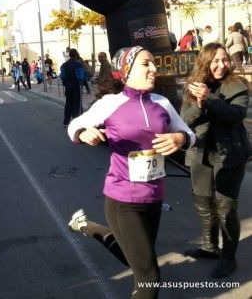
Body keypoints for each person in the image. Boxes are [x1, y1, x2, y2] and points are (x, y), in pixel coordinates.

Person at [67, 46, 195, 299]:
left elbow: (189, 134)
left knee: (134, 258)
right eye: (146, 64)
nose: (154, 69)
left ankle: (85, 225)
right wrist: (84, 133)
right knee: (148, 276)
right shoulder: (111, 103)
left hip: (154, 197)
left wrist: (180, 138)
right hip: (122, 198)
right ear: (126, 71)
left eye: (154, 64)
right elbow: (74, 125)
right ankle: (86, 225)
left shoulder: (162, 103)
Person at [180, 43, 249, 278]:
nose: (221, 65)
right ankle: (210, 247)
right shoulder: (193, 87)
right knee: (203, 203)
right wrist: (199, 104)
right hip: (200, 154)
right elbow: (184, 121)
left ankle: (228, 257)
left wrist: (209, 100)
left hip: (229, 156)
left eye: (225, 60)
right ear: (205, 62)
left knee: (226, 208)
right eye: (215, 61)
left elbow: (235, 115)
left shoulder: (237, 86)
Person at [60, 49, 86, 126]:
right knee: (77, 103)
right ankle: (77, 122)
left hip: (68, 86)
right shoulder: (79, 65)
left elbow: (62, 76)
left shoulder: (64, 65)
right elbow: (81, 77)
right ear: (76, 55)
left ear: (69, 55)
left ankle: (66, 121)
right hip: (76, 86)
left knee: (68, 103)